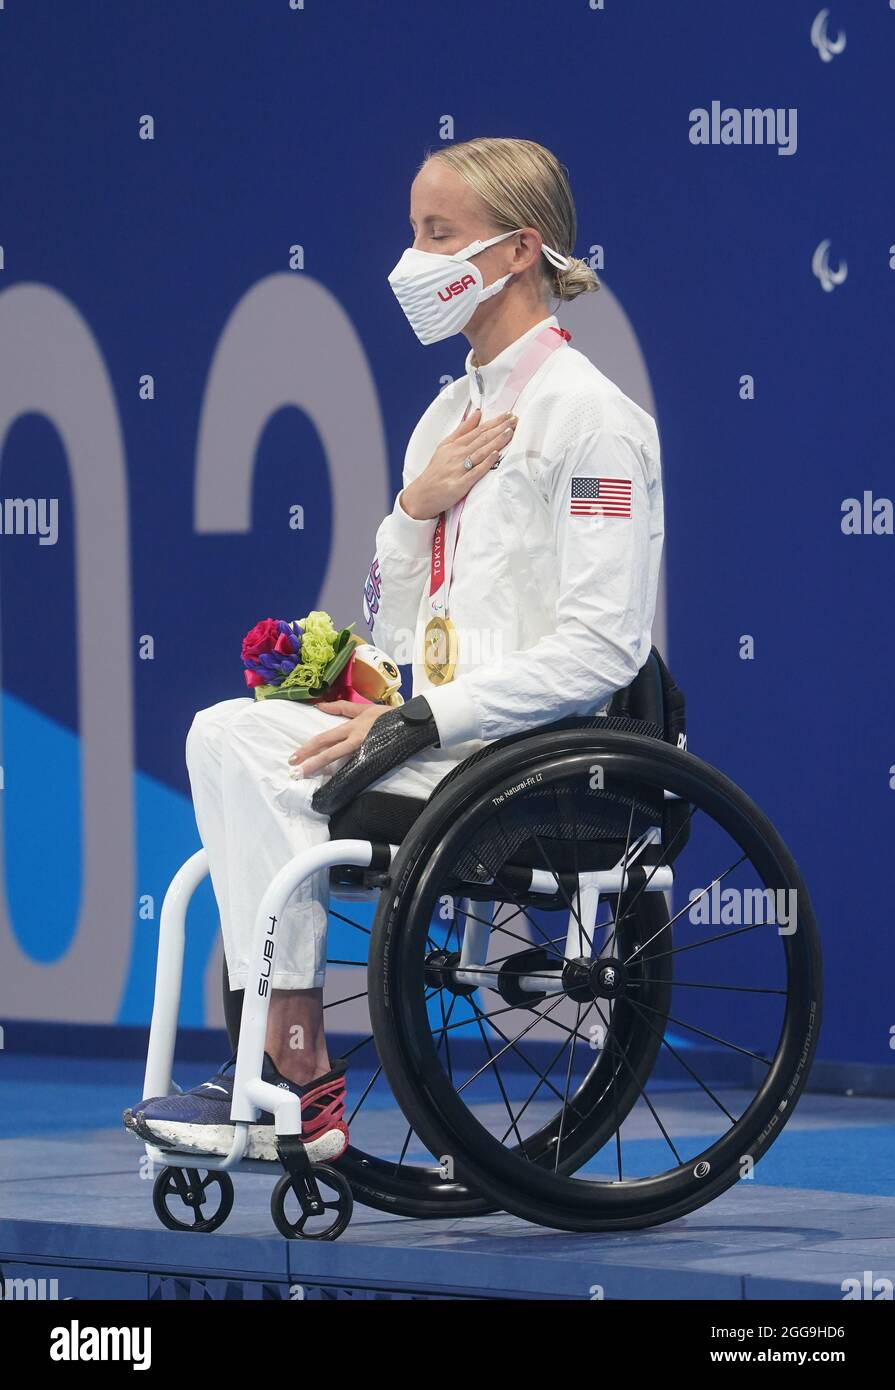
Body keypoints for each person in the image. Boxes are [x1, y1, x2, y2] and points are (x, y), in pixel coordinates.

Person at [124, 135, 664, 1163]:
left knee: (257, 755)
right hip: (435, 740)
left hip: (531, 756)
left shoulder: (594, 420)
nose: (411, 259)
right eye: (413, 231)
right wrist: (414, 512)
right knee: (225, 730)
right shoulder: (445, 416)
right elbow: (390, 621)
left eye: (437, 234)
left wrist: (423, 715)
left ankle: (288, 1064)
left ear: (518, 250)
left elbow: (603, 645)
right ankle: (291, 1048)